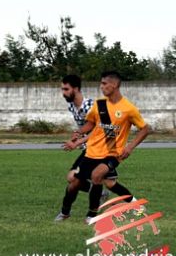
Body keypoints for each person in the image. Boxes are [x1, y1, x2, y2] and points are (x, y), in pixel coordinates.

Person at [55, 71, 150, 224]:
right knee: (76, 182)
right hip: (92, 152)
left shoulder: (128, 108)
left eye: (104, 84)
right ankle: (64, 213)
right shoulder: (99, 104)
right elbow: (91, 124)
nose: (101, 86)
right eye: (101, 83)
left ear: (115, 85)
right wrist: (78, 135)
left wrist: (130, 147)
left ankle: (92, 215)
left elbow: (145, 129)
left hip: (113, 153)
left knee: (97, 176)